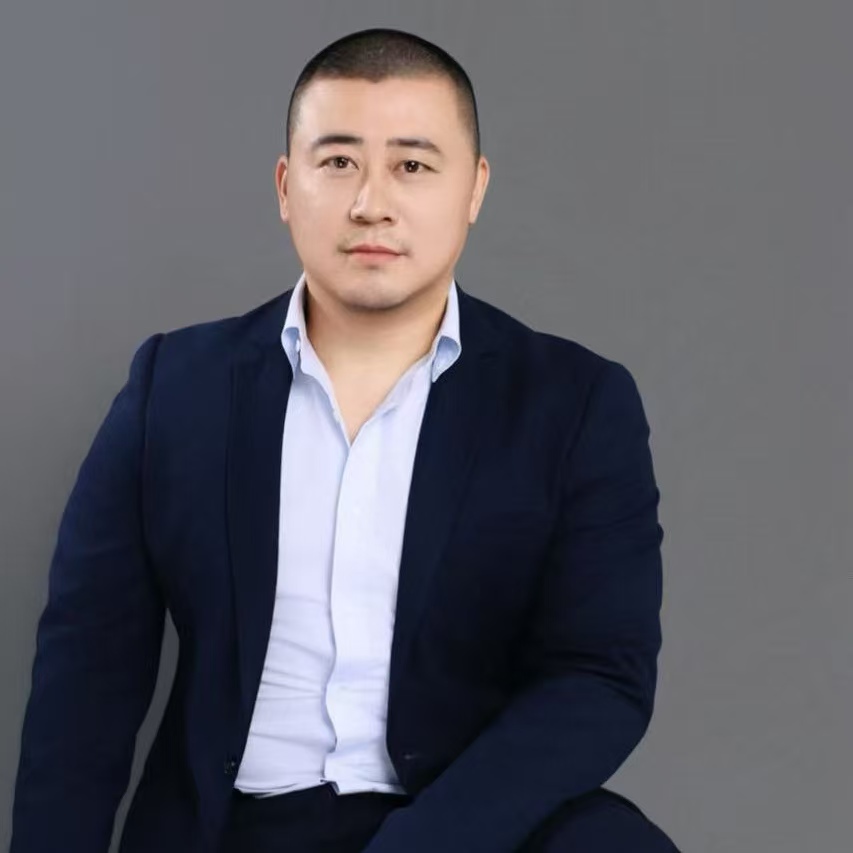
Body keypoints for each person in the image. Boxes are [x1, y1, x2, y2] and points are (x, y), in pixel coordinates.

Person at [11, 27, 679, 853]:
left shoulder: (573, 402)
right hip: (235, 826)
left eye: (412, 165)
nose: (371, 202)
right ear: (285, 186)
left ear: (473, 188)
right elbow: (86, 675)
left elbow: (599, 675)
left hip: (467, 822)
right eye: (337, 162)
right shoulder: (174, 390)